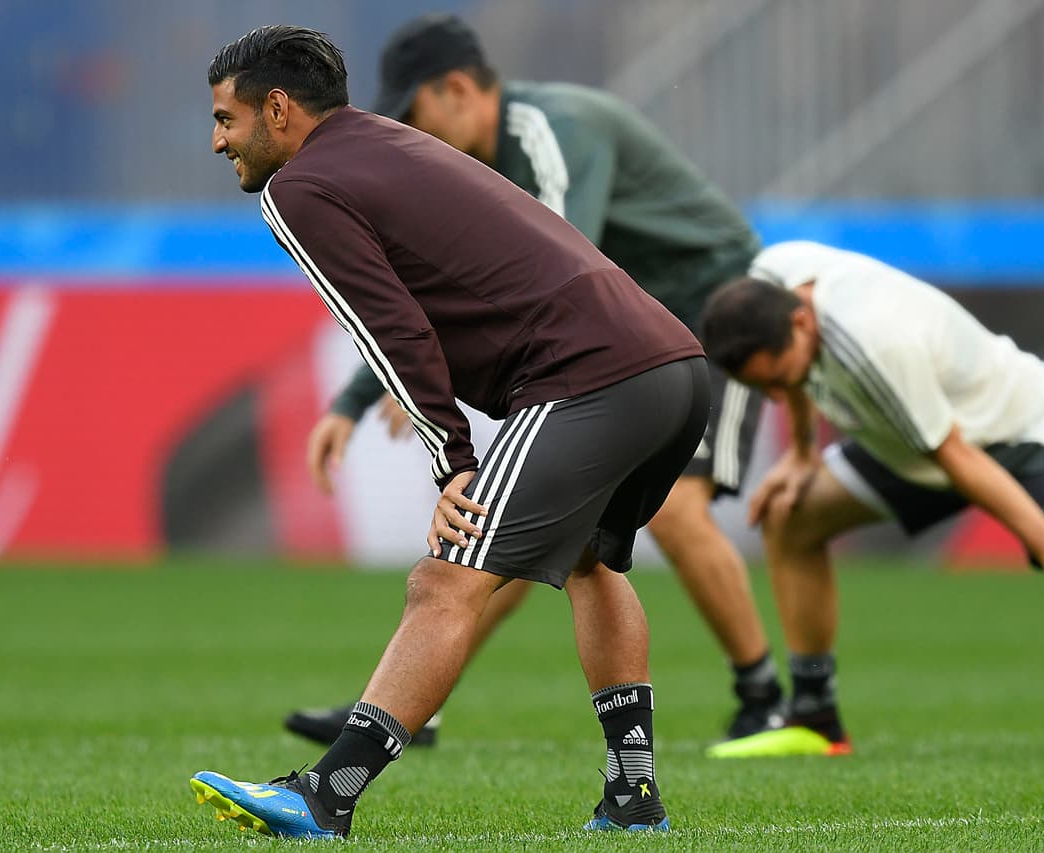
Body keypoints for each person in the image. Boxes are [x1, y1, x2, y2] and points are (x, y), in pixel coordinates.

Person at [194, 25, 711, 837]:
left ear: (280, 109)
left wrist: (451, 464)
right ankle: (633, 795)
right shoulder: (389, 143)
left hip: (590, 377)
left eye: (227, 118)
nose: (217, 139)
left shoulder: (297, 190)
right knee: (589, 565)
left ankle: (325, 794)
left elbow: (393, 329)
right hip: (673, 364)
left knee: (442, 582)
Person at [286, 12, 784, 750]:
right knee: (535, 532)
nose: (411, 133)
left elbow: (553, 265)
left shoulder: (555, 131)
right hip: (624, 348)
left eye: (414, 113)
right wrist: (362, 394)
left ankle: (765, 698)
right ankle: (417, 704)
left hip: (717, 322)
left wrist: (400, 384)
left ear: (457, 89)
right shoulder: (483, 161)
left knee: (672, 513)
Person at [697, 240, 1044, 763]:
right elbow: (806, 382)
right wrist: (804, 452)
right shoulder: (772, 278)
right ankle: (815, 716)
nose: (780, 396)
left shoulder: (874, 345)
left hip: (1032, 428)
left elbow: (955, 456)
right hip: (918, 437)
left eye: (780, 379)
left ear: (803, 322)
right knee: (791, 516)